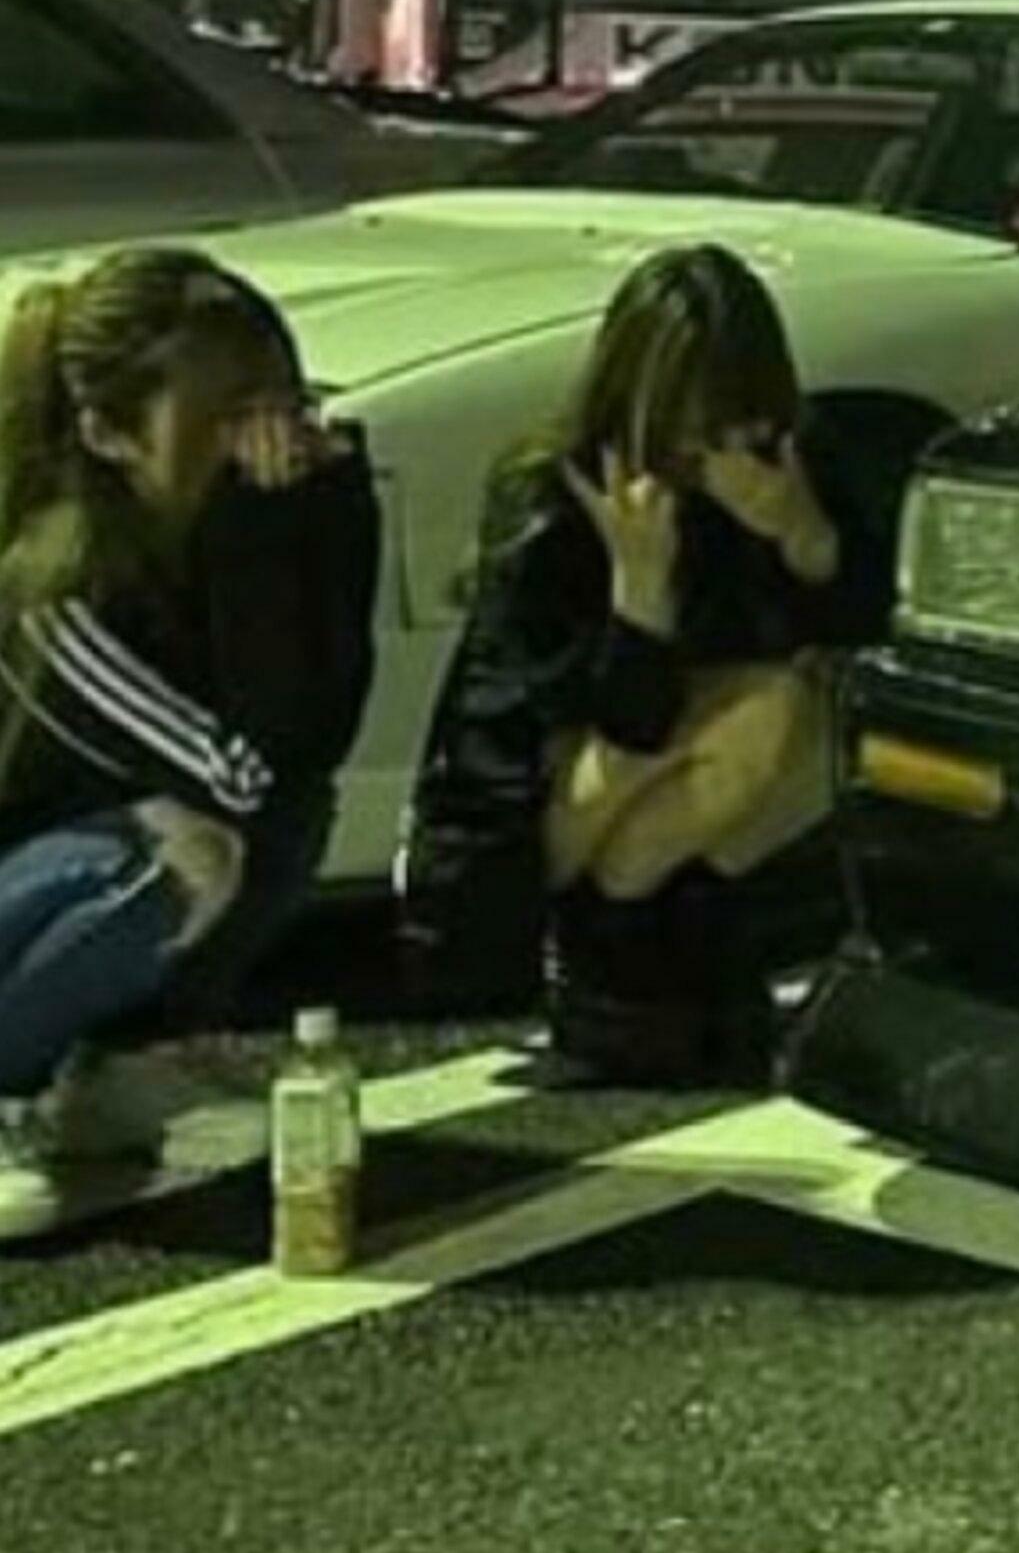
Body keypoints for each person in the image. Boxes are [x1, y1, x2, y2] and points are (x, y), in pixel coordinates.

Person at [399, 245, 893, 1082]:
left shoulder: (786, 473)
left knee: (827, 708)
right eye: (684, 421)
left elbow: (870, 636)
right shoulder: (555, 501)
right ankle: (611, 949)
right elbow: (612, 723)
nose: (707, 448)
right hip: (524, 828)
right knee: (763, 705)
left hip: (661, 806)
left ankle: (658, 941)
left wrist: (804, 539)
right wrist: (641, 593)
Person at [0, 248, 379, 1229]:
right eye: (230, 417)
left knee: (286, 820)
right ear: (110, 434)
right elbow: (246, 772)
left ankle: (108, 1068)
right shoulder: (58, 591)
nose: (271, 442)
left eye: (285, 406)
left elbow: (317, 735)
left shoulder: (190, 542)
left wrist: (334, 520)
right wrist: (267, 534)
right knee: (183, 852)